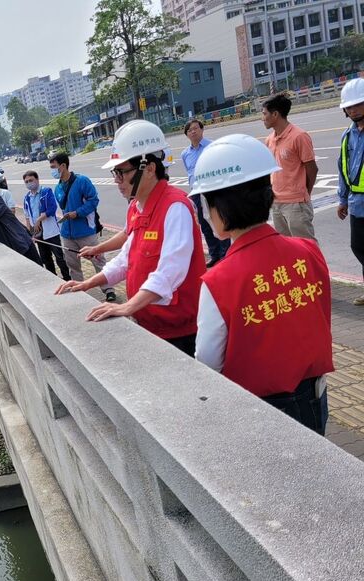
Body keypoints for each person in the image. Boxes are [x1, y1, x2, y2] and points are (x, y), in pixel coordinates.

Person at [192, 134, 332, 434]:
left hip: (258, 408)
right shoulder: (308, 251)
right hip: (314, 397)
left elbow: (207, 360)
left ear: (220, 207)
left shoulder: (217, 281)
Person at [55, 119, 206, 356]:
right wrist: (88, 283)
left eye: (121, 172)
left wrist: (127, 306)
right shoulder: (136, 207)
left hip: (178, 331)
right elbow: (126, 260)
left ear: (149, 168)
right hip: (148, 321)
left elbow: (171, 270)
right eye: (115, 173)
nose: (117, 181)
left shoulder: (175, 207)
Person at [49, 152, 116, 302]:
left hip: (85, 231)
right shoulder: (58, 188)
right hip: (67, 234)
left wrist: (77, 213)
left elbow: (93, 200)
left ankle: (108, 289)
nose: (52, 170)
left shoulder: (82, 181)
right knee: (73, 265)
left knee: (98, 260)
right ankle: (80, 291)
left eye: (54, 167)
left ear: (63, 166)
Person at [262, 93, 318, 241]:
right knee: (287, 248)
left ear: (275, 114)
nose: (262, 118)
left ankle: (315, 265)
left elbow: (312, 168)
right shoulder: (269, 140)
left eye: (264, 114)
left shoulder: (299, 136)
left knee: (306, 246)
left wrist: (305, 193)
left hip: (296, 203)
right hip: (277, 203)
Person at [181, 119, 229, 267]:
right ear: (187, 134)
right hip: (196, 193)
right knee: (205, 224)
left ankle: (225, 255)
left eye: (196, 128)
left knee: (219, 222)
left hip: (213, 190)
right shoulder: (185, 154)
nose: (193, 132)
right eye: (190, 130)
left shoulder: (212, 146)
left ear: (202, 130)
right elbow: (189, 172)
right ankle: (214, 254)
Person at [337, 78, 364, 305]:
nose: (353, 109)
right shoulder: (348, 136)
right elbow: (343, 167)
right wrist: (342, 199)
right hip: (357, 202)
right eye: (350, 106)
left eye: (358, 104)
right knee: (359, 246)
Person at [22, 170, 70, 280]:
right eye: (26, 182)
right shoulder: (27, 198)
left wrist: (39, 219)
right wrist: (31, 232)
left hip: (50, 231)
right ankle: (53, 279)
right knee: (45, 258)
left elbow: (52, 209)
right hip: (38, 233)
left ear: (37, 179)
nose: (29, 183)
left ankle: (67, 278)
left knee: (59, 257)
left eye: (31, 180)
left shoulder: (46, 192)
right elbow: (27, 216)